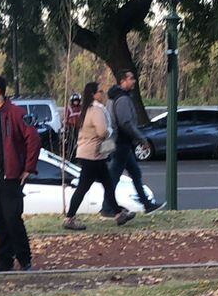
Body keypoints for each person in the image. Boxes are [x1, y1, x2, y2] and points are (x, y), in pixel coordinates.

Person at [0, 74, 42, 272]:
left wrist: (28, 168)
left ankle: (24, 258)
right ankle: (4, 260)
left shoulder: (15, 113)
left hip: (9, 176)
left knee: (12, 218)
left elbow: (33, 140)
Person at [62, 81, 134, 231]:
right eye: (100, 91)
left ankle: (118, 214)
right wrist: (110, 132)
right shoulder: (96, 110)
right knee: (83, 187)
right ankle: (69, 218)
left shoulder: (86, 109)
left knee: (107, 184)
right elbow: (102, 132)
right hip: (92, 155)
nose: (102, 93)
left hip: (92, 154)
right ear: (94, 94)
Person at [107, 71, 157, 213]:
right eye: (131, 79)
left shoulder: (113, 97)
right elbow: (126, 123)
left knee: (135, 173)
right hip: (121, 143)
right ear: (123, 81)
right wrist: (141, 139)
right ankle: (107, 207)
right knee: (114, 176)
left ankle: (146, 204)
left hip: (119, 142)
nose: (134, 81)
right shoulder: (122, 98)